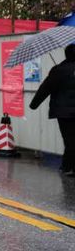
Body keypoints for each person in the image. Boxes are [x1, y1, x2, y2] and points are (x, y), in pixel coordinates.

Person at [29, 43, 75, 176]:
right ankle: (67, 166)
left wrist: (34, 105)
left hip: (64, 112)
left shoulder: (58, 70)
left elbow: (45, 89)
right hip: (66, 111)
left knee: (69, 140)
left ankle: (69, 167)